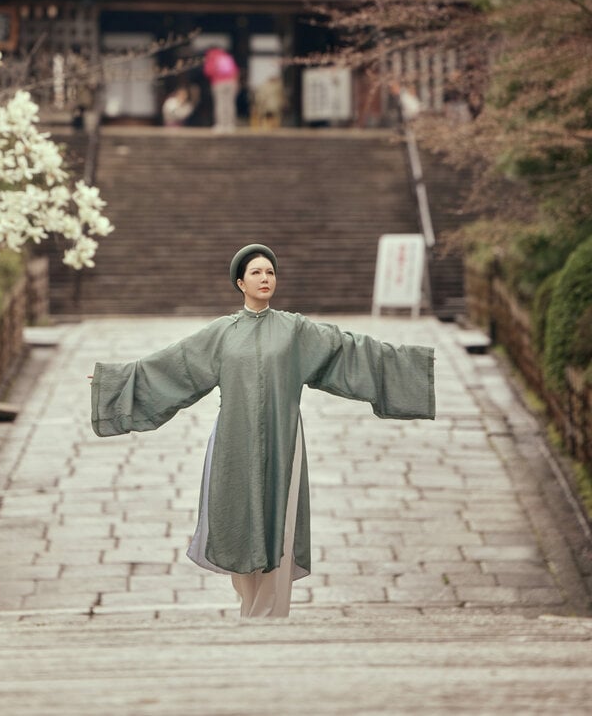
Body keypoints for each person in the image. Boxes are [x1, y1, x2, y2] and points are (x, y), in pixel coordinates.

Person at [90, 244, 436, 618]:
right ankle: (249, 610)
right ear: (241, 283)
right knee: (237, 524)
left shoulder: (294, 330)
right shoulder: (221, 334)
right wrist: (117, 381)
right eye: (256, 273)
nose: (265, 278)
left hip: (283, 439)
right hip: (233, 443)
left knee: (279, 527)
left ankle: (269, 617)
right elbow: (174, 366)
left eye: (270, 272)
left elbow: (346, 349)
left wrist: (410, 367)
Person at [203, 47, 239, 132]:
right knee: (230, 104)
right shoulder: (227, 57)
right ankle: (230, 125)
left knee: (220, 104)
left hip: (218, 82)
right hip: (231, 82)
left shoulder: (211, 56)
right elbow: (235, 70)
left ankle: (221, 125)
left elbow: (208, 71)